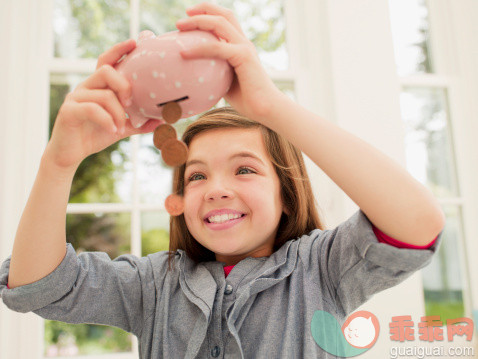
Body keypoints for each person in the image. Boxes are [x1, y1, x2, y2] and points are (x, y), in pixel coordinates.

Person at [0, 2, 445, 358]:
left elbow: (416, 225)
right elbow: (40, 286)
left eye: (245, 169)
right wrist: (58, 164)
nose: (216, 189)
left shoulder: (320, 270)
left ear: (286, 195)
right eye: (195, 176)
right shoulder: (155, 284)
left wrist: (271, 106)